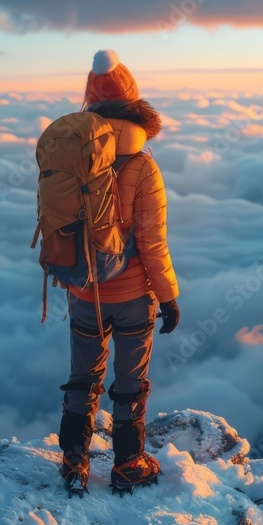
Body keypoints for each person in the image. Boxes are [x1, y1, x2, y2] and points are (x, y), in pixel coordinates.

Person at [58, 49, 181, 495]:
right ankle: (129, 462)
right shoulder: (143, 164)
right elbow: (152, 242)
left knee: (82, 376)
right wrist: (168, 297)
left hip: (82, 290)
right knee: (129, 382)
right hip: (132, 299)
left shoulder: (73, 157)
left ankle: (74, 461)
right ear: (133, 103)